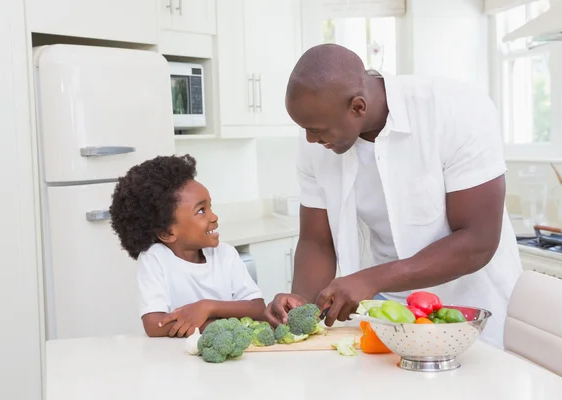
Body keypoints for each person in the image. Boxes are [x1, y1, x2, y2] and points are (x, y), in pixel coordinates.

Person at [264, 44, 522, 349]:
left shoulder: (457, 109)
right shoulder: (318, 136)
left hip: (472, 315)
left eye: (316, 130)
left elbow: (477, 241)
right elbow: (316, 241)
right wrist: (302, 311)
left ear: (358, 107)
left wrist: (372, 280)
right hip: (392, 315)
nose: (309, 139)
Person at [109, 154, 265, 338]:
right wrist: (214, 326)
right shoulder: (155, 259)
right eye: (201, 211)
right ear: (167, 233)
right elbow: (154, 324)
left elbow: (257, 308)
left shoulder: (226, 254)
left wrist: (208, 307)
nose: (214, 217)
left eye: (210, 207)